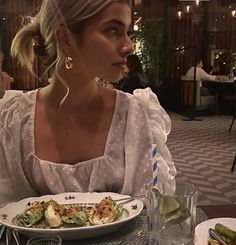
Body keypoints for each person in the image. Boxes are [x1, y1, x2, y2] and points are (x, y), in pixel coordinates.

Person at [0, 0, 176, 207]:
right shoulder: (14, 118)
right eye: (113, 30)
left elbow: (151, 208)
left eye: (127, 32)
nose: (129, 46)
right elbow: (7, 210)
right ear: (65, 39)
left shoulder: (136, 114)